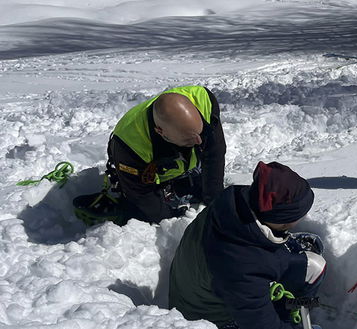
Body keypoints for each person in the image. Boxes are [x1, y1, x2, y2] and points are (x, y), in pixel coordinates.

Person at [169, 161, 326, 329]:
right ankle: (289, 315)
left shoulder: (234, 202)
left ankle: (289, 305)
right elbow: (262, 325)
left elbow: (252, 255)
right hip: (211, 319)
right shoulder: (243, 267)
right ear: (281, 222)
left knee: (310, 256)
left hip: (200, 292)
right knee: (314, 267)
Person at [100, 85, 226, 224]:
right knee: (140, 211)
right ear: (160, 131)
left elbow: (215, 153)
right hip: (143, 168)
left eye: (200, 132)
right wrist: (172, 220)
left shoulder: (204, 102)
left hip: (173, 148)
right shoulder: (129, 145)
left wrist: (213, 199)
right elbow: (142, 194)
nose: (199, 141)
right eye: (188, 139)